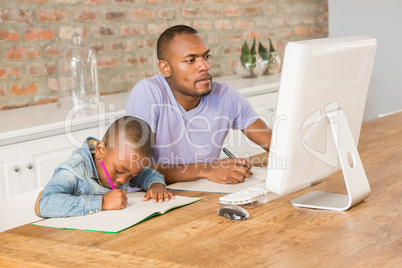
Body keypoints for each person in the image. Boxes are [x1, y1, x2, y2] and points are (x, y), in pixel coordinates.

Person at [126, 25, 272, 185]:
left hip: (204, 194)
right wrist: (206, 170)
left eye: (206, 56)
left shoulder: (227, 96)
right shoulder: (148, 92)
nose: (205, 66)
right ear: (166, 68)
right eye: (190, 60)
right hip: (153, 199)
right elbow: (134, 169)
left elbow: (276, 146)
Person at [35, 116, 174, 218]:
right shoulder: (74, 171)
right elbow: (44, 204)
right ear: (100, 150)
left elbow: (147, 174)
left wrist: (156, 185)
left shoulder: (125, 165)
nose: (123, 180)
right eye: (119, 171)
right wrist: (102, 202)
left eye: (132, 176)